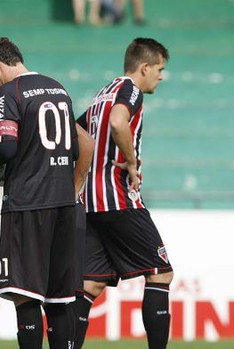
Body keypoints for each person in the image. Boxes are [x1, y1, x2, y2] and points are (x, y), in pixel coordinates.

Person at [0, 37, 81, 349]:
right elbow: (75, 149)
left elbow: (7, 146)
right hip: (65, 204)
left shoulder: (9, 92)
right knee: (59, 299)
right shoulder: (58, 88)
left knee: (24, 294)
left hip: (28, 205)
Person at [72, 37, 173, 349]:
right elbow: (118, 122)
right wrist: (130, 162)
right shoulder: (129, 90)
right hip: (117, 197)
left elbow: (75, 129)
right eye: (159, 69)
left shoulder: (102, 94)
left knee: (91, 283)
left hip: (90, 202)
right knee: (160, 274)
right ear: (144, 67)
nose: (161, 76)